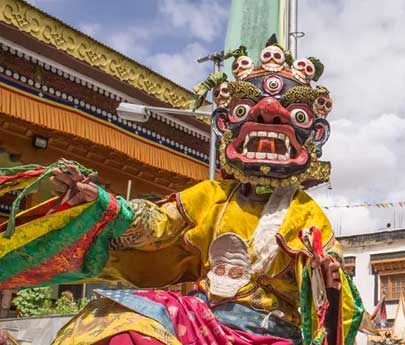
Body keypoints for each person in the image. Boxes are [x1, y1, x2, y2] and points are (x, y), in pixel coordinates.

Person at [0, 35, 363, 345]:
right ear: (226, 124)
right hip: (202, 321)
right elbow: (156, 224)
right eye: (245, 109)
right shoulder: (211, 196)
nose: (268, 114)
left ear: (313, 134)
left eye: (292, 114)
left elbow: (336, 308)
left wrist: (329, 281)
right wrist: (105, 205)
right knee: (116, 320)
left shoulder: (308, 215)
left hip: (273, 333)